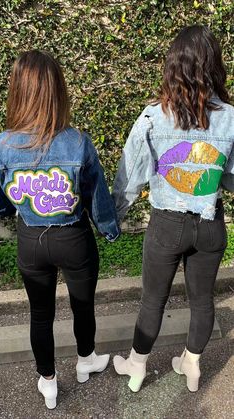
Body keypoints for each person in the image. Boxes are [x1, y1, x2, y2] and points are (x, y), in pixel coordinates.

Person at [112, 25, 234, 393]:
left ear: (172, 66)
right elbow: (230, 177)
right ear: (214, 66)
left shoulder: (152, 116)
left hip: (167, 224)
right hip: (210, 224)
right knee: (202, 299)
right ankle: (191, 365)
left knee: (153, 298)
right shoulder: (230, 117)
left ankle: (136, 367)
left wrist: (113, 217)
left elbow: (130, 177)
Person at [0, 50, 120, 409]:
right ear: (58, 91)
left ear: (17, 91)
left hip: (30, 240)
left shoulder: (2, 145)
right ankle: (86, 361)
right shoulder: (78, 142)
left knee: (40, 313)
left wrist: (11, 208)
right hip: (74, 238)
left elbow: (1, 199)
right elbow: (97, 196)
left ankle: (48, 381)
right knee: (83, 306)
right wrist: (109, 228)